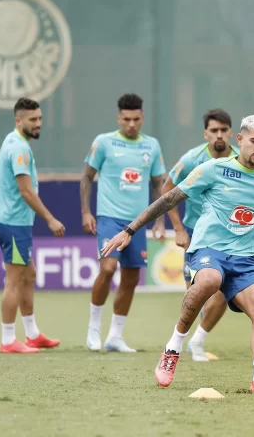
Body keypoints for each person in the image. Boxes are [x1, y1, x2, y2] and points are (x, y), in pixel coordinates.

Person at [102, 115, 254, 393]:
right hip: (208, 250)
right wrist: (130, 230)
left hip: (245, 259)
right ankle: (173, 348)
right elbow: (168, 198)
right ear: (240, 140)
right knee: (209, 280)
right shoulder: (213, 168)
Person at [81, 93, 167, 353]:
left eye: (136, 119)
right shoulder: (104, 143)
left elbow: (158, 184)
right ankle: (94, 328)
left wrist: (159, 221)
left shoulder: (151, 146)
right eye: (126, 119)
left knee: (131, 278)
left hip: (137, 223)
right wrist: (86, 212)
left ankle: (115, 336)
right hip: (109, 217)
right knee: (107, 269)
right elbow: (86, 177)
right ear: (119, 117)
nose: (131, 124)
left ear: (142, 118)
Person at [161, 108, 238, 362]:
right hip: (196, 233)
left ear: (232, 133)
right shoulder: (192, 159)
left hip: (228, 235)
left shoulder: (241, 160)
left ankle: (198, 340)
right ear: (206, 133)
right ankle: (180, 341)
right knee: (196, 294)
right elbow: (167, 188)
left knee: (225, 294)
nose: (219, 135)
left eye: (223, 130)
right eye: (214, 130)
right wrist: (179, 229)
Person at [0, 98, 65, 354]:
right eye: (33, 119)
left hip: (13, 219)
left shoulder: (15, 142)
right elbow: (26, 192)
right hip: (12, 221)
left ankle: (32, 334)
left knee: (28, 274)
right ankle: (8, 339)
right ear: (18, 120)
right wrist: (51, 219)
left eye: (40, 118)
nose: (38, 124)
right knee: (14, 279)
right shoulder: (19, 148)